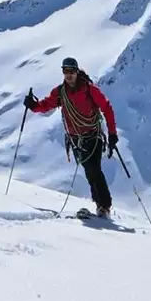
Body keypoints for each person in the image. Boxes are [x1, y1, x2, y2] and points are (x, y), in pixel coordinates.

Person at [23, 57, 119, 217]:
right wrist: (33, 106)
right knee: (89, 171)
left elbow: (106, 108)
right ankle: (101, 205)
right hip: (75, 139)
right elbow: (46, 105)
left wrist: (112, 133)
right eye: (66, 71)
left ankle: (104, 206)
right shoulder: (60, 92)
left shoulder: (90, 90)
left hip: (92, 136)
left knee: (93, 169)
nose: (69, 75)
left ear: (77, 71)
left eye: (71, 72)